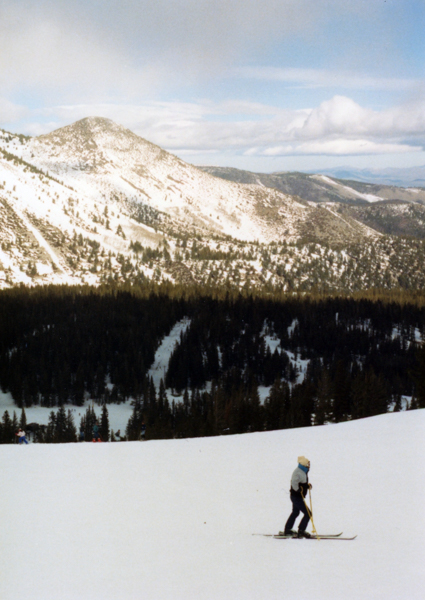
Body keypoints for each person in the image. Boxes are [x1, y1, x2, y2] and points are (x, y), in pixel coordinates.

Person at [282, 456, 312, 538]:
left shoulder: (302, 471)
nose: (309, 465)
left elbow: (302, 483)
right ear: (304, 464)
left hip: (297, 497)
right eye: (307, 464)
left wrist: (307, 486)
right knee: (308, 513)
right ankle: (301, 530)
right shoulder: (298, 472)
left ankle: (288, 529)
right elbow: (294, 483)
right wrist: (298, 489)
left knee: (295, 512)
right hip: (296, 497)